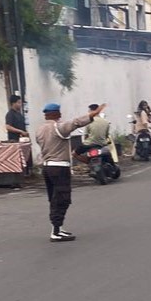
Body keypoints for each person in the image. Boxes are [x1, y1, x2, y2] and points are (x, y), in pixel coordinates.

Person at [36, 101, 105, 242]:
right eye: (59, 113)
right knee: (62, 198)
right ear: (56, 114)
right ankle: (55, 231)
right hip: (59, 167)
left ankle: (58, 228)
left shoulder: (39, 130)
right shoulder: (58, 128)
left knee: (54, 198)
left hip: (47, 167)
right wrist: (92, 115)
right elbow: (75, 123)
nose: (61, 115)